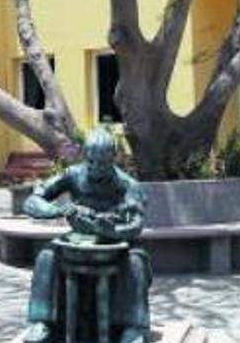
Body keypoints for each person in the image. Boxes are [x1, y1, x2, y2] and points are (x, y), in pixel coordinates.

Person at [21, 127, 152, 343]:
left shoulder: (128, 184)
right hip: (78, 240)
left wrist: (111, 230)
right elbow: (32, 201)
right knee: (46, 256)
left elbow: (137, 224)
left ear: (113, 158)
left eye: (103, 163)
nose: (96, 168)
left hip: (116, 243)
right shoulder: (73, 175)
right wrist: (59, 210)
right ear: (85, 157)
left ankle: (133, 327)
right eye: (91, 162)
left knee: (136, 261)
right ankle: (41, 322)